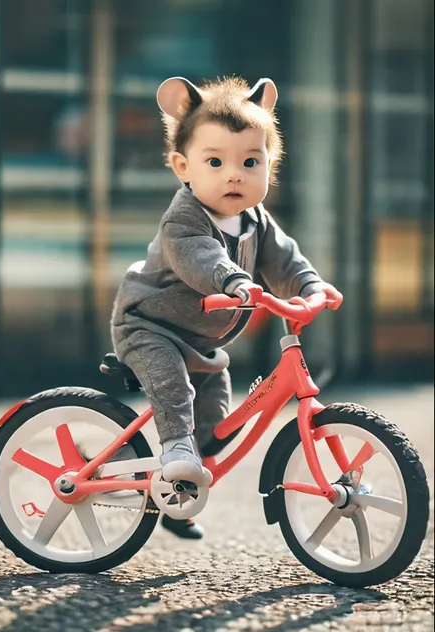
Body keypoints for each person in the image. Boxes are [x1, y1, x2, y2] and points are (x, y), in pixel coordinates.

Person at [110, 76, 342, 538]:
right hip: (150, 326)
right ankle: (176, 453)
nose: (234, 173)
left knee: (215, 415)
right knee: (175, 394)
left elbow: (285, 259)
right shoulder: (184, 218)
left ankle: (176, 491)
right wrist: (233, 279)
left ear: (269, 168)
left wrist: (311, 285)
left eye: (250, 161)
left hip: (203, 339)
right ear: (182, 166)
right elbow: (199, 257)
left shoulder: (256, 219)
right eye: (215, 161)